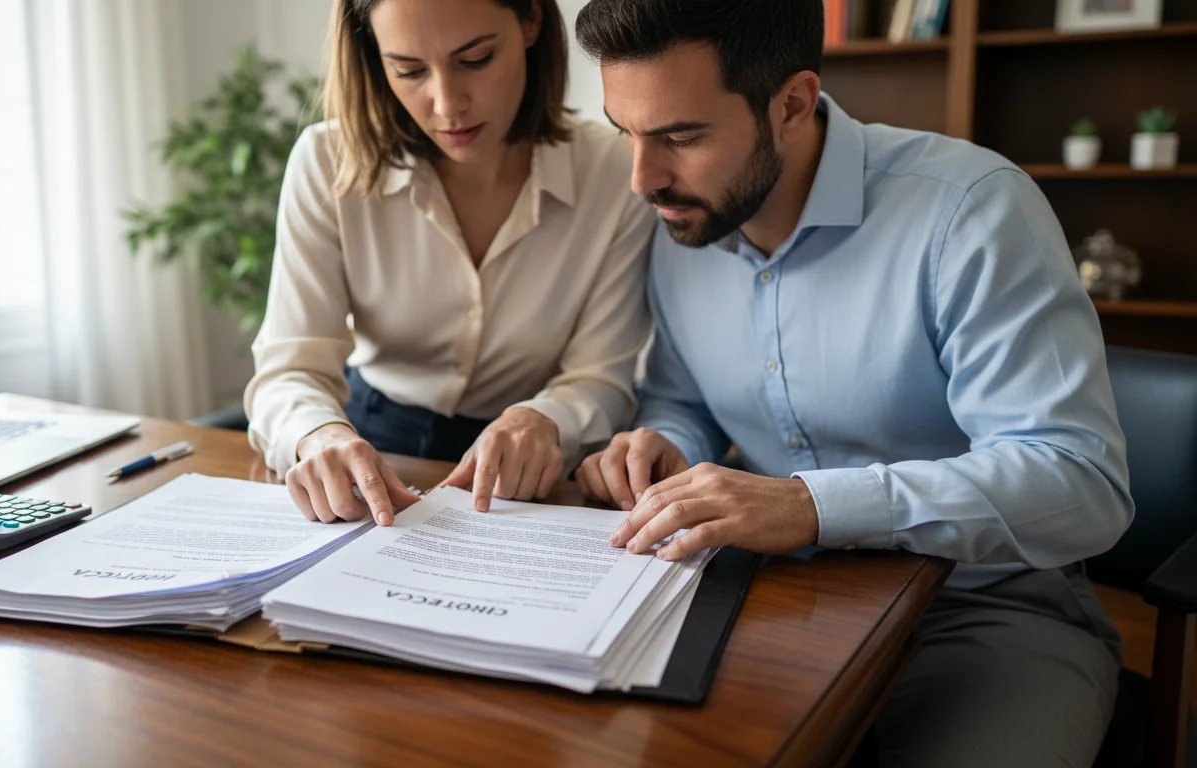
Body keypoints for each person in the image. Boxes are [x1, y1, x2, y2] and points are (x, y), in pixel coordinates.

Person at [571, 1, 1131, 765]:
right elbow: (682, 397)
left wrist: (809, 504)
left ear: (793, 104)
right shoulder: (684, 219)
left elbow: (1080, 480)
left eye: (680, 136)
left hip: (982, 611)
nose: (642, 178)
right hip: (770, 598)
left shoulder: (970, 211)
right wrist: (665, 443)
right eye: (625, 132)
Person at [245, 0, 654, 528]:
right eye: (409, 70)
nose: (447, 104)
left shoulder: (614, 170)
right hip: (374, 445)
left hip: (533, 467)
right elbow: (289, 369)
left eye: (476, 59)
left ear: (531, 21)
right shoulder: (327, 162)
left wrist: (548, 418)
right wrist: (317, 434)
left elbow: (602, 376)